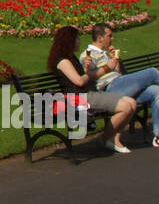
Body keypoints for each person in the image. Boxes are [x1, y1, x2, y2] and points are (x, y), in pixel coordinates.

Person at [47, 25, 137, 154]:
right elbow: (78, 81)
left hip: (89, 93)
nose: (79, 41)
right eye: (77, 38)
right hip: (79, 97)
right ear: (69, 41)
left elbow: (83, 77)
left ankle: (114, 139)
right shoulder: (63, 61)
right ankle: (105, 138)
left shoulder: (72, 58)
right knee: (126, 107)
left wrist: (86, 71)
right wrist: (89, 74)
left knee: (132, 103)